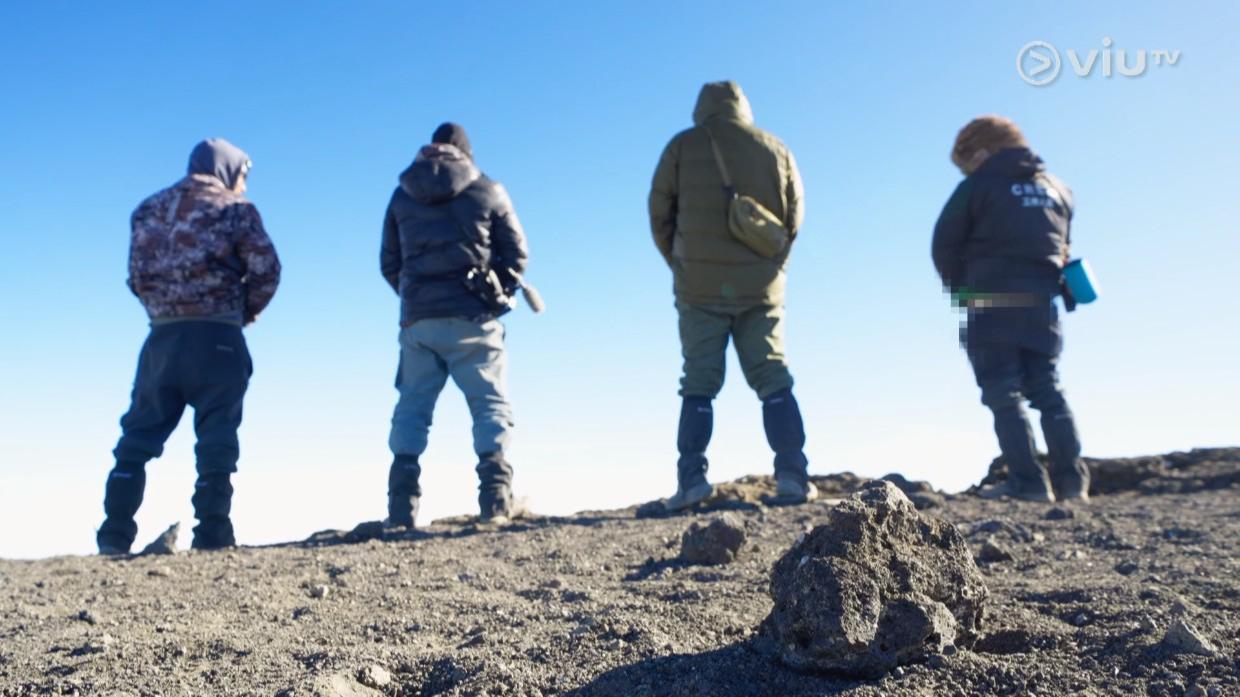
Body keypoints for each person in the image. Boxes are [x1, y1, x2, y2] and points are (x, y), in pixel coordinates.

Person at [97, 138, 281, 554]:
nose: (244, 184)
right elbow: (267, 271)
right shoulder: (237, 210)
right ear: (228, 169)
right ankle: (213, 533)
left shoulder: (147, 209)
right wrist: (240, 314)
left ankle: (113, 534)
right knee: (217, 437)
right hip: (218, 337)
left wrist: (165, 310)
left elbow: (135, 276)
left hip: (161, 338)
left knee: (138, 437)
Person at [648, 81, 812, 511]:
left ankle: (692, 481)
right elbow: (794, 218)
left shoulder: (681, 147)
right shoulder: (776, 148)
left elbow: (659, 214)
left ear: (701, 108)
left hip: (699, 287)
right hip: (761, 285)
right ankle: (793, 476)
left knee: (698, 381)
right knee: (773, 375)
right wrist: (773, 267)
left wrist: (683, 264)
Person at [932, 115, 1090, 503]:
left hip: (989, 304)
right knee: (1048, 390)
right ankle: (1072, 484)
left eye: (964, 162)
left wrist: (962, 291)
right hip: (1042, 306)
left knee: (1003, 394)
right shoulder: (1059, 190)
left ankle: (1029, 483)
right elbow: (1063, 246)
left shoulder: (975, 187)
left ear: (981, 151)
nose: (965, 170)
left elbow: (943, 245)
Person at [380, 123, 529, 527]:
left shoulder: (401, 194)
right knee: (489, 404)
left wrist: (419, 297)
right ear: (466, 151)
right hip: (474, 320)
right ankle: (496, 502)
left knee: (412, 408)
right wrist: (492, 290)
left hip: (418, 322)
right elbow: (517, 256)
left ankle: (400, 509)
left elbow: (388, 264)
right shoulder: (487, 189)